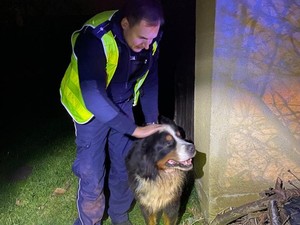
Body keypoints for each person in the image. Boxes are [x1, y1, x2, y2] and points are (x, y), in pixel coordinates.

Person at [59, 0, 165, 224]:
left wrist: (151, 121)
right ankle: (90, 220)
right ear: (125, 23)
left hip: (122, 103)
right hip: (90, 110)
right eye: (142, 38)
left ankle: (119, 214)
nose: (148, 45)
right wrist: (134, 130)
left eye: (152, 39)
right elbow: (93, 96)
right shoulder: (95, 38)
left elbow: (151, 82)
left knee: (123, 164)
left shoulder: (150, 39)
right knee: (91, 171)